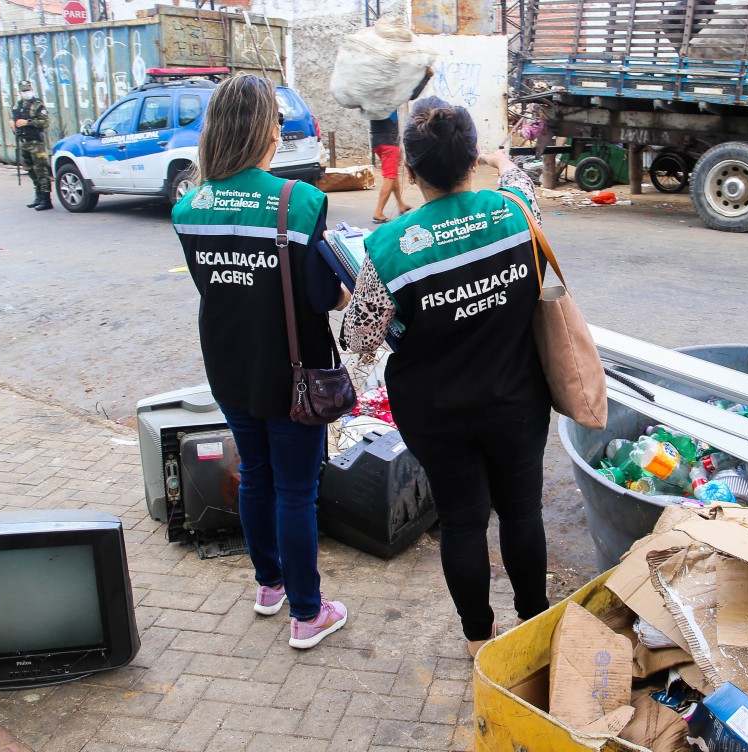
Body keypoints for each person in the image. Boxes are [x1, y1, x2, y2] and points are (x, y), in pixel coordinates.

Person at [343, 96, 550, 658]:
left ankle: (479, 644)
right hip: (518, 399)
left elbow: (358, 340)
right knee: (523, 511)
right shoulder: (515, 210)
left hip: (436, 413)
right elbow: (522, 181)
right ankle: (535, 629)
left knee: (462, 521)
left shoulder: (387, 246)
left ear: (409, 171)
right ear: (470, 161)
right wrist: (502, 162)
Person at [172, 74, 350, 650]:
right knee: (297, 491)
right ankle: (307, 613)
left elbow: (215, 284)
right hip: (294, 371)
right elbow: (325, 295)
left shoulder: (188, 206)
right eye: (274, 118)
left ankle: (269, 585)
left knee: (255, 473)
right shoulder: (299, 201)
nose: (279, 127)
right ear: (262, 131)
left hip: (227, 363)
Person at [369, 67, 434, 224]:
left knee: (393, 174)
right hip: (388, 143)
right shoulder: (388, 97)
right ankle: (378, 212)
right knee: (390, 176)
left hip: (377, 141)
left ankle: (400, 204)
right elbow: (411, 94)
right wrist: (426, 77)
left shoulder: (372, 97)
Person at [10, 80, 53, 211]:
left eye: (27, 90)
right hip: (24, 141)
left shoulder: (37, 105)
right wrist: (13, 123)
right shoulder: (18, 105)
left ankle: (46, 199)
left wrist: (27, 122)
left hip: (36, 142)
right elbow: (15, 119)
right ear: (19, 92)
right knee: (30, 169)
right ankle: (38, 196)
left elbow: (45, 122)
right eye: (23, 91)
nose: (26, 93)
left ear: (32, 89)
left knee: (41, 170)